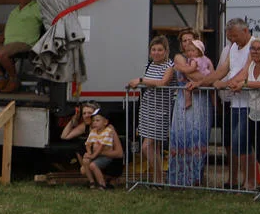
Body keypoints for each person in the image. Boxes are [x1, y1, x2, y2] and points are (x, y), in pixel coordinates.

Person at [188, 18, 256, 189]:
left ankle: (250, 181)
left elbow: (245, 71)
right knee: (236, 144)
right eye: (230, 37)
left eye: (235, 36)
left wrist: (225, 84)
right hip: (235, 104)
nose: (232, 40)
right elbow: (221, 71)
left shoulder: (254, 46)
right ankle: (246, 181)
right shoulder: (233, 47)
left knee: (241, 143)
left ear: (246, 31)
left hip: (251, 104)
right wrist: (201, 82)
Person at [220, 37, 260, 190]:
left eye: (258, 49)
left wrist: (243, 84)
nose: (255, 51)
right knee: (259, 152)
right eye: (253, 48)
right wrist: (231, 83)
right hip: (254, 114)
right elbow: (239, 79)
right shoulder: (250, 66)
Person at [127, 35, 175, 184]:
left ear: (166, 51)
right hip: (147, 109)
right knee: (154, 147)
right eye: (153, 49)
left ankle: (160, 177)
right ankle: (158, 179)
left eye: (160, 50)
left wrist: (141, 80)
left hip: (161, 110)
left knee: (146, 147)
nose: (156, 52)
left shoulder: (170, 66)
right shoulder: (149, 65)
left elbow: (163, 82)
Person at [168, 31, 213, 187]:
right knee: (181, 136)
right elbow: (199, 78)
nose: (187, 43)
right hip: (183, 100)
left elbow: (210, 77)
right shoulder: (179, 58)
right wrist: (206, 79)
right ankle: (179, 178)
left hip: (201, 100)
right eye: (184, 40)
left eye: (190, 40)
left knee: (198, 137)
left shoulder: (203, 59)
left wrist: (207, 80)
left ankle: (196, 177)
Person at [81, 108, 124, 189]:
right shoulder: (93, 131)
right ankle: (92, 182)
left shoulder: (109, 131)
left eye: (97, 120)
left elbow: (103, 147)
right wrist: (89, 153)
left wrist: (94, 155)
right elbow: (88, 144)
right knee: (85, 163)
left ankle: (103, 184)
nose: (94, 122)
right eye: (93, 120)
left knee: (93, 165)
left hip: (109, 158)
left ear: (105, 122)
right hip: (96, 156)